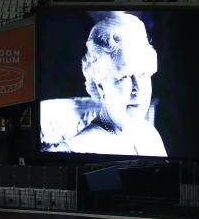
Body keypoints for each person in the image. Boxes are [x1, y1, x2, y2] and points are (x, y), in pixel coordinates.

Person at [45, 12, 167, 157]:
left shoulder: (150, 135)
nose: (138, 89)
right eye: (125, 77)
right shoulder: (76, 150)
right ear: (100, 86)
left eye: (143, 75)